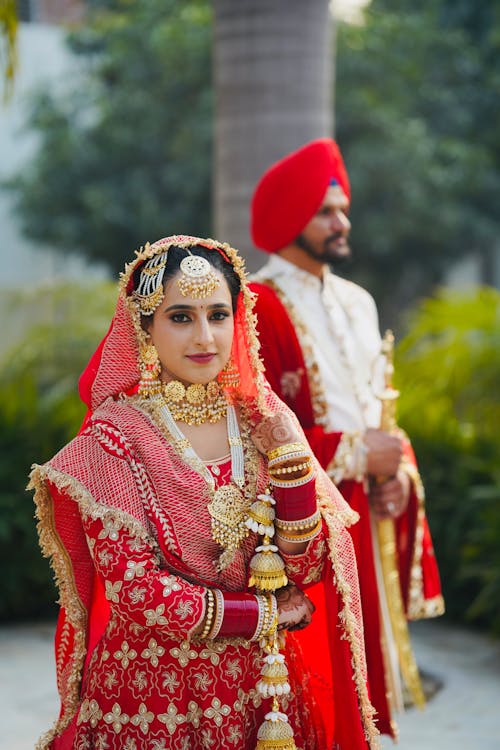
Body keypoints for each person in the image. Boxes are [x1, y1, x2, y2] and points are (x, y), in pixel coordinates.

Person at [29, 234, 379, 750]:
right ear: (144, 326)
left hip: (267, 696)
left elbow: (305, 569)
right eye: (180, 317)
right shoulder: (115, 438)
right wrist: (262, 614)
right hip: (151, 702)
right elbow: (136, 591)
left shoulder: (263, 420)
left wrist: (290, 467)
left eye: (218, 315)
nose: (205, 337)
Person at [248, 140, 445, 738]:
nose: (343, 221)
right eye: (326, 211)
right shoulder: (255, 304)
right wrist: (358, 453)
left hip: (368, 516)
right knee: (316, 685)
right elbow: (256, 433)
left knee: (370, 678)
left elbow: (378, 414)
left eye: (343, 208)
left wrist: (397, 471)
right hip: (306, 526)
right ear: (288, 220)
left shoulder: (359, 302)